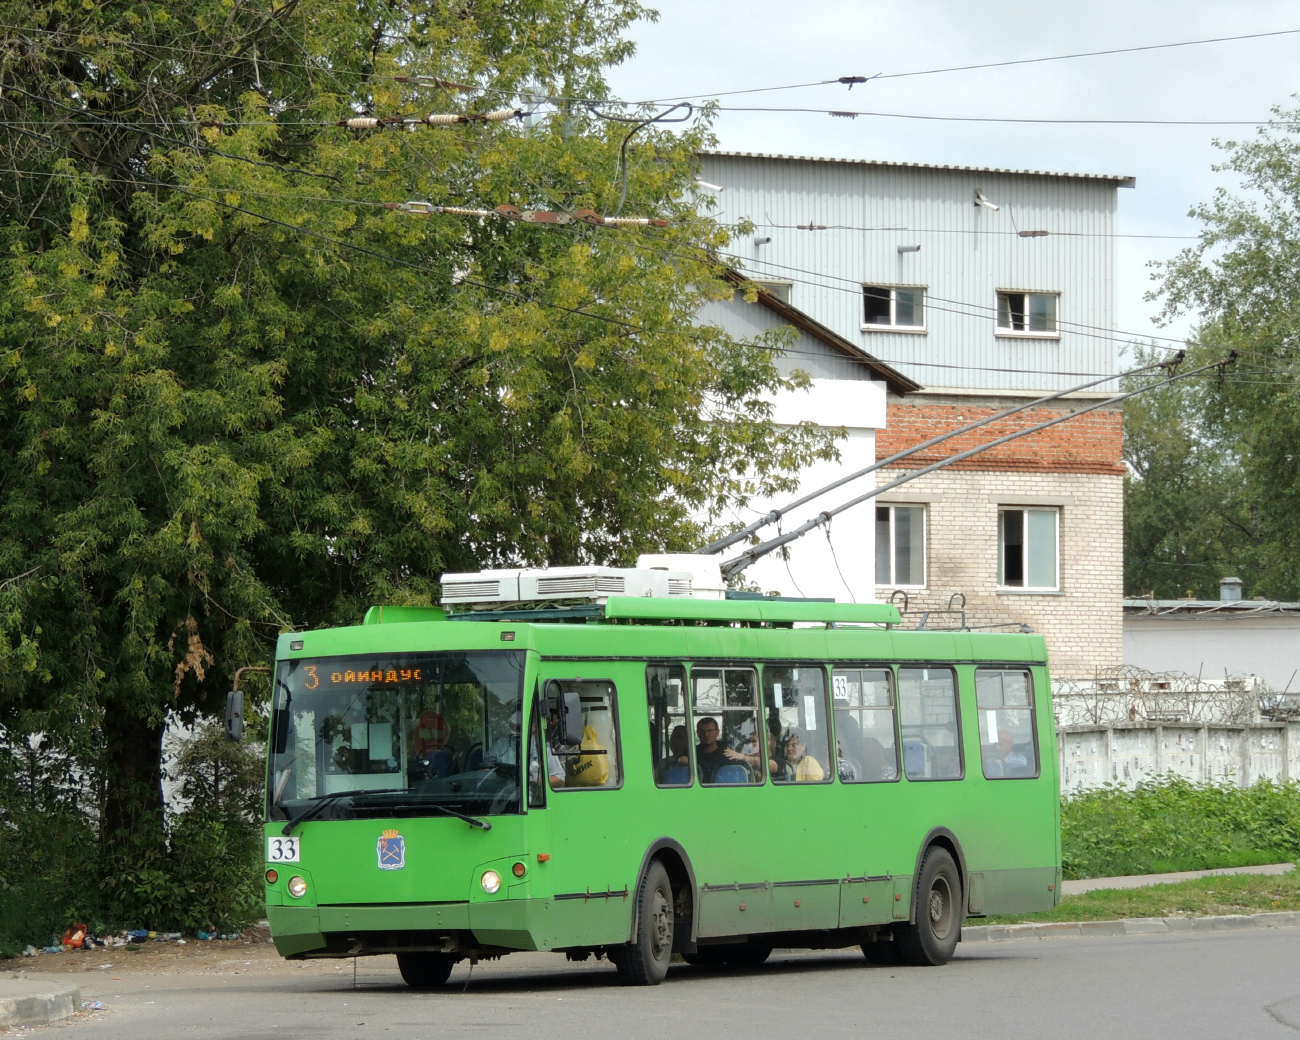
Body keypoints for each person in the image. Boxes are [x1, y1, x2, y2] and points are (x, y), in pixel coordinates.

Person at [694, 717, 748, 783]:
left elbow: (755, 762)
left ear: (717, 732)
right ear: (698, 733)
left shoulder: (729, 752)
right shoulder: (691, 753)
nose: (706, 734)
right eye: (702, 731)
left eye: (710, 731)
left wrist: (740, 756)